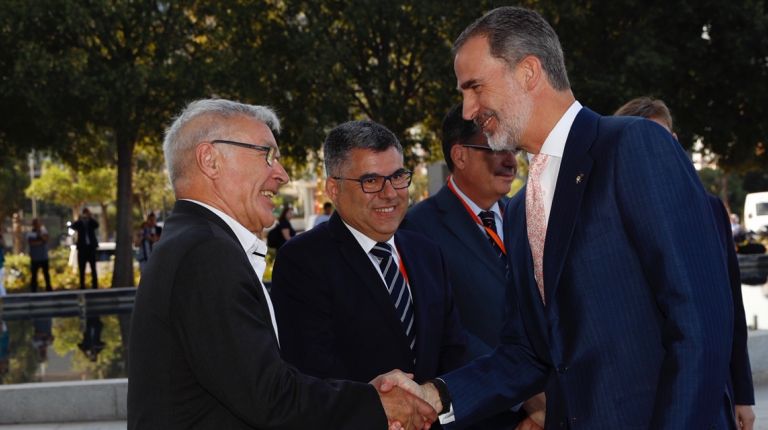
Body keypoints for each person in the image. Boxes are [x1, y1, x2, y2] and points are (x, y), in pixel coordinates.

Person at [380, 7, 736, 429]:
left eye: (474, 87)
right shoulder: (517, 209)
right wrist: (434, 395)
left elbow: (699, 323)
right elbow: (527, 353)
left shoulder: (633, 147)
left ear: (529, 72)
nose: (468, 108)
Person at [127, 98, 436, 430]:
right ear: (210, 160)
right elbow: (271, 397)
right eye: (267, 155)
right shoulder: (206, 254)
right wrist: (376, 403)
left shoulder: (193, 243)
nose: (282, 175)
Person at [270, 120, 467, 399]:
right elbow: (311, 370)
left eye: (398, 176)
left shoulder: (427, 253)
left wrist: (434, 402)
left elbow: (454, 350)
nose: (390, 193)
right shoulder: (303, 261)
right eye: (371, 181)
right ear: (333, 189)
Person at [614, 96, 755, 429]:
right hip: (641, 398)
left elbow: (730, 305)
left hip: (713, 397)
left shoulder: (711, 209)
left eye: (664, 138)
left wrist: (744, 394)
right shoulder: (608, 215)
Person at [402, 103, 543, 429]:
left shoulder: (526, 215)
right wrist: (524, 394)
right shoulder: (417, 229)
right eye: (497, 148)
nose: (511, 161)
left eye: (514, 149)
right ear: (460, 156)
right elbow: (445, 331)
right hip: (483, 414)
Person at [71, 208, 99, 289]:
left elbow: (97, 225)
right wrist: (80, 218)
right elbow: (73, 226)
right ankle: (82, 285)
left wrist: (90, 217)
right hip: (82, 248)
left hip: (91, 248)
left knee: (93, 268)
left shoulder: (91, 222)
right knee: (81, 268)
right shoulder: (80, 223)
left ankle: (95, 285)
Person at [27, 218, 53, 292]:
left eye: (38, 223)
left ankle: (49, 288)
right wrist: (41, 242)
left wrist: (40, 235)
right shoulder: (30, 233)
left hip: (44, 257)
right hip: (35, 258)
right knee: (34, 275)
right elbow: (32, 243)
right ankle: (33, 290)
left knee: (46, 274)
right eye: (35, 224)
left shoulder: (44, 231)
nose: (37, 225)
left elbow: (46, 239)